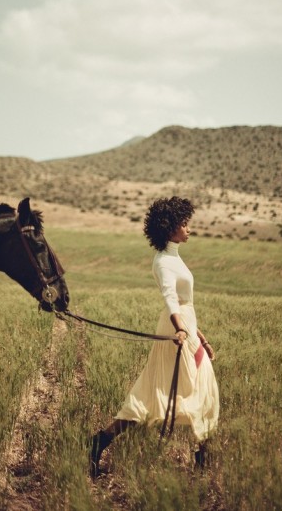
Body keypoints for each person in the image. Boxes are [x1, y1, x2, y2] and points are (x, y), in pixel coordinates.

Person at [90, 196, 219, 478]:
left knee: (203, 391)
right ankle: (100, 442)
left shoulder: (175, 257)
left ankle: (200, 460)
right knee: (155, 396)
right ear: (170, 227)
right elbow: (171, 300)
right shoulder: (162, 262)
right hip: (176, 333)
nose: (189, 228)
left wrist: (202, 337)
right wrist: (180, 329)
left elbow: (187, 305)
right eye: (184, 224)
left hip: (187, 330)